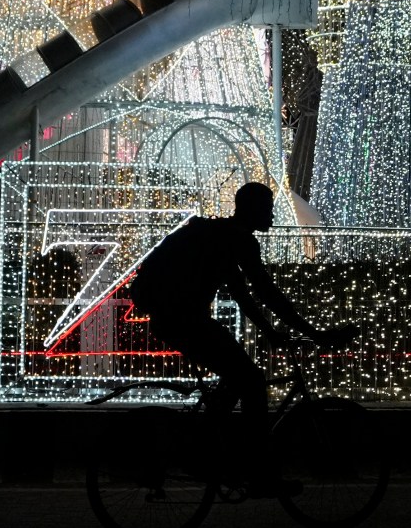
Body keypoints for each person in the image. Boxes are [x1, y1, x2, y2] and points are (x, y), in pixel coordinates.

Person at [125, 182, 348, 491]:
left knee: (238, 378)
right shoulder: (238, 240)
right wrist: (315, 334)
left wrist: (271, 332)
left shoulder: (222, 236)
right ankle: (258, 474)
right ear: (252, 209)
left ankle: (205, 448)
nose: (271, 215)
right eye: (267, 209)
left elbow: (244, 295)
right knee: (253, 382)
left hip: (175, 319)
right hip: (185, 321)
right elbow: (266, 292)